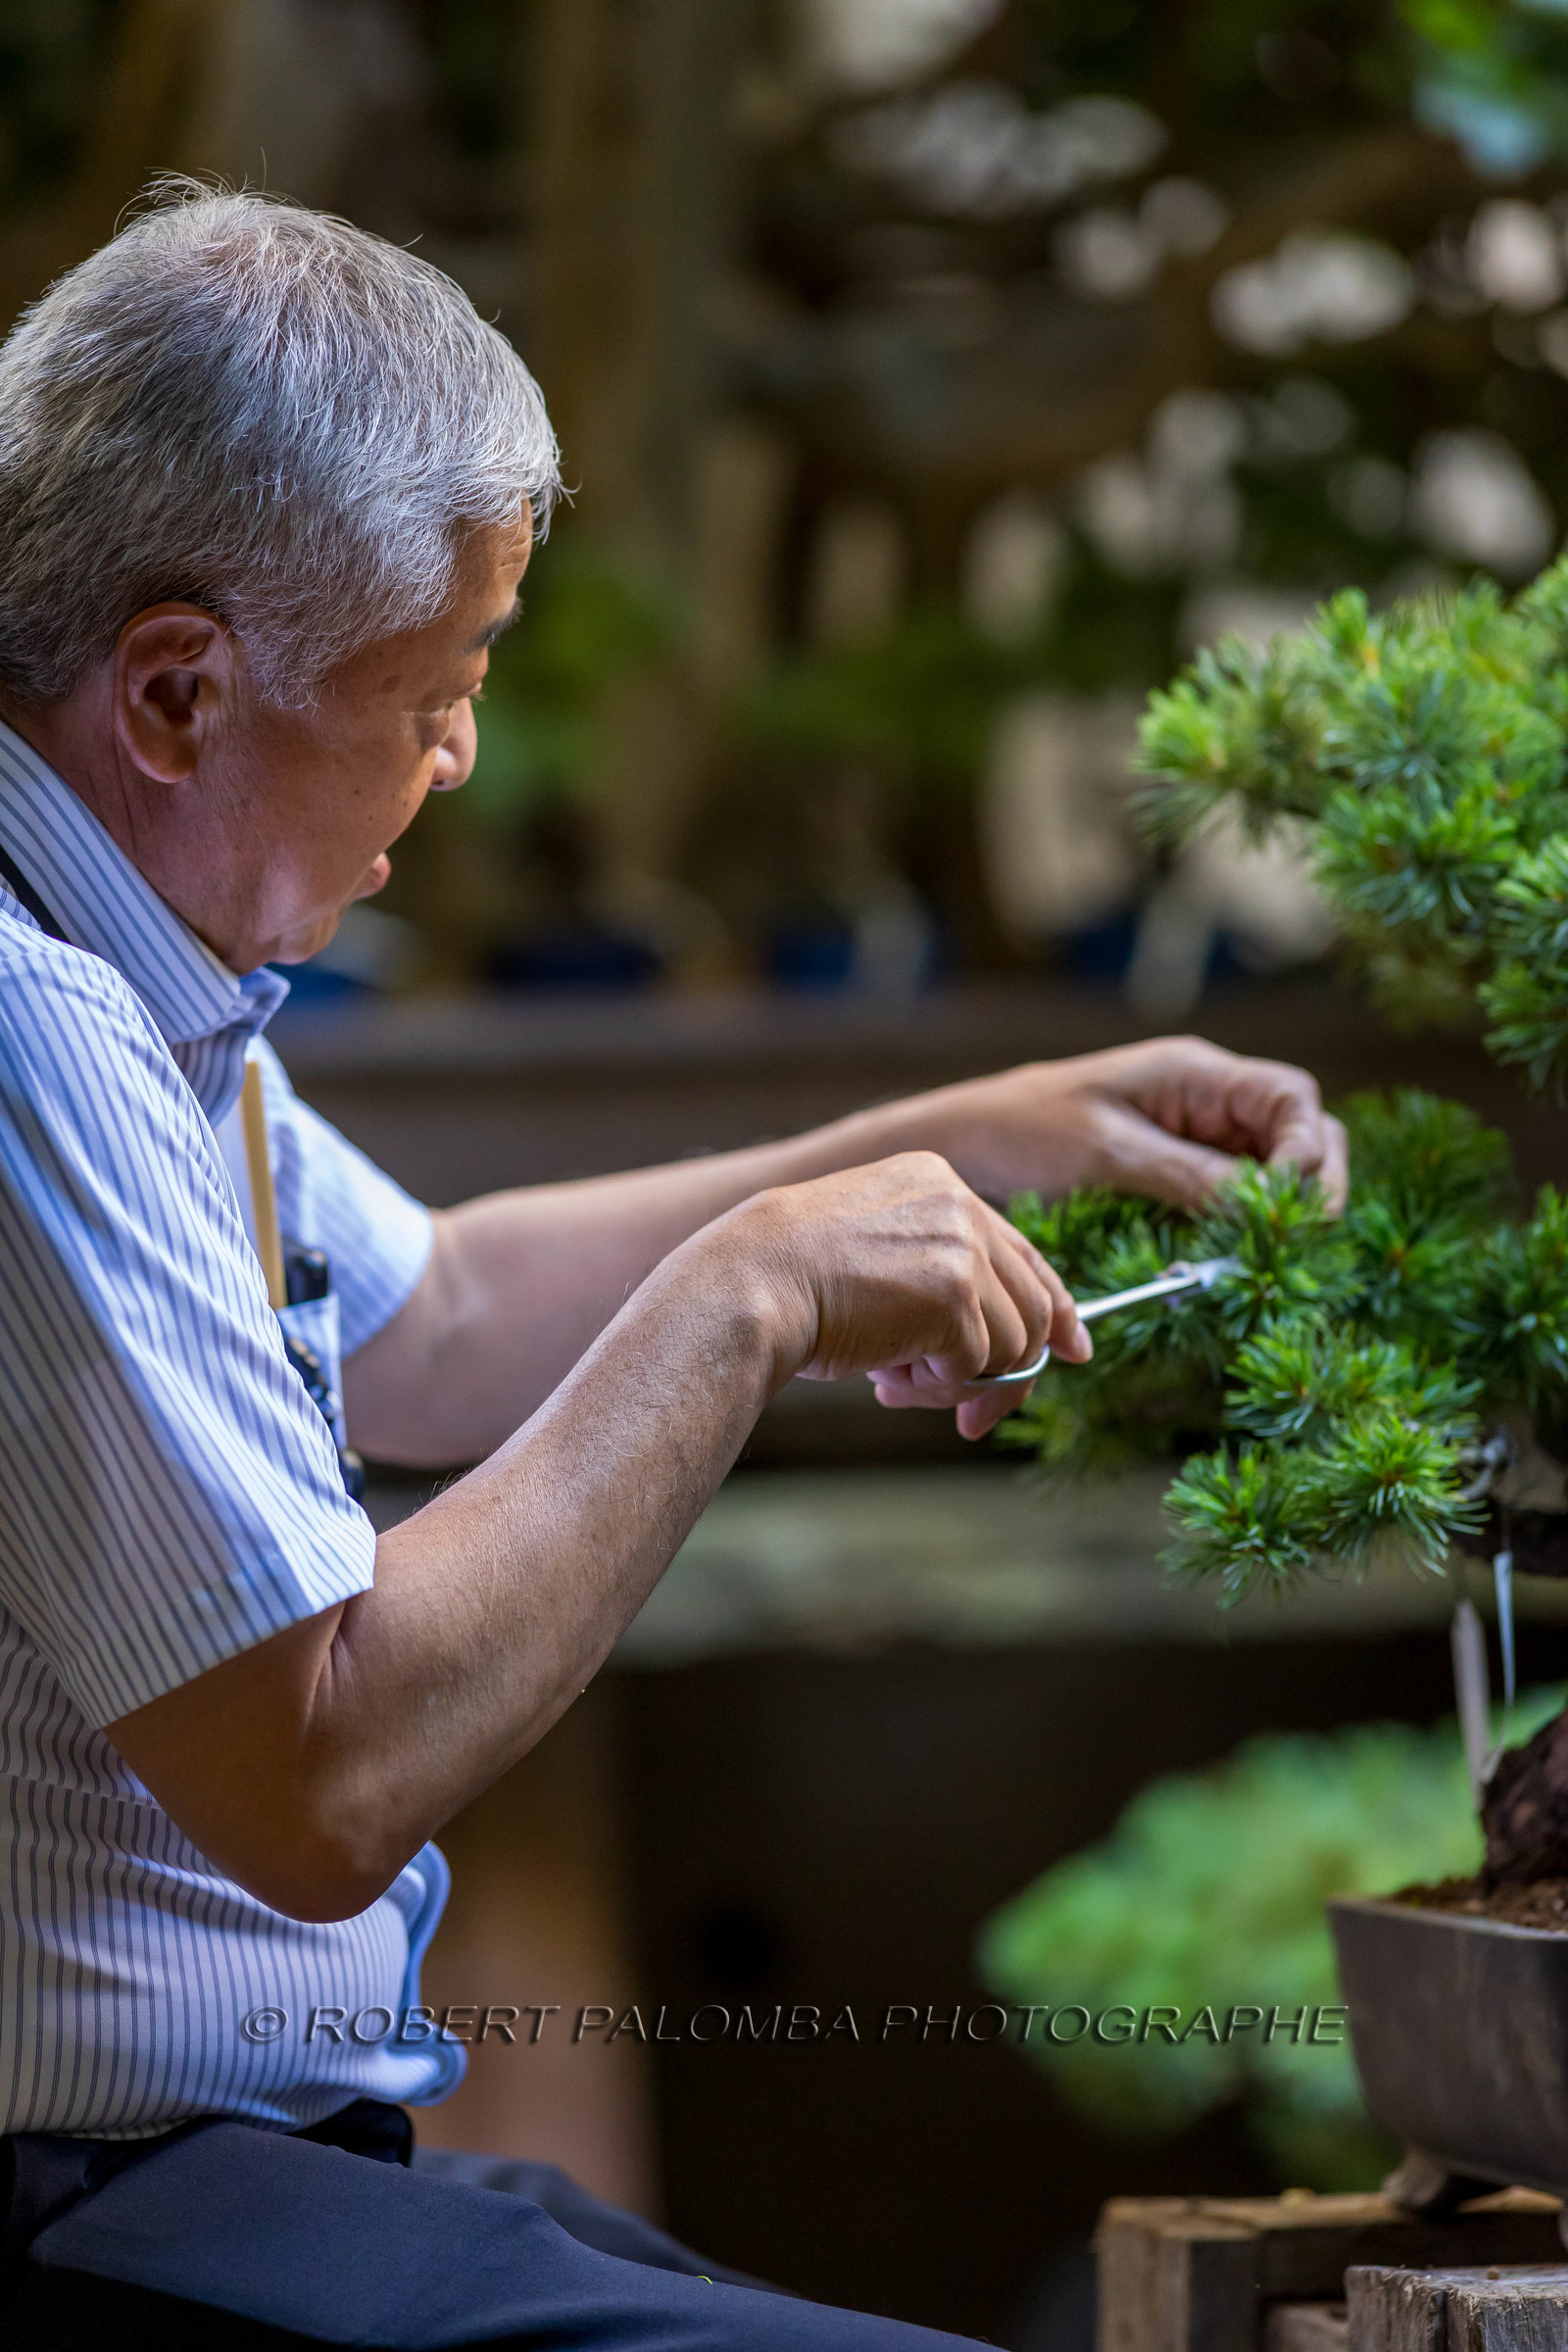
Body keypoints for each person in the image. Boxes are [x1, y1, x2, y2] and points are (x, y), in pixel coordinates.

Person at [0, 182, 1348, 2349]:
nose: (451, 761)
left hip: (232, 2166)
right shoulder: (26, 1026)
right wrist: (752, 1296)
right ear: (174, 692)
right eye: (437, 694)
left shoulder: (140, 970)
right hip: (91, 2208)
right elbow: (321, 1774)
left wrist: (960, 1146)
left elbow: (426, 1317)